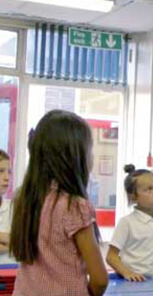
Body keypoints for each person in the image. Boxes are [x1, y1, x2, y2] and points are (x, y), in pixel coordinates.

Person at [9, 110, 108, 295]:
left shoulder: (24, 198)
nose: (92, 157)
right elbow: (100, 279)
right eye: (89, 150)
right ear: (75, 157)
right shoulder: (74, 206)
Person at [106, 164, 153, 281]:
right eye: (149, 189)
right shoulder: (127, 223)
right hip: (137, 285)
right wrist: (127, 273)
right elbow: (111, 256)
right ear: (133, 197)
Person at [0, 150, 14, 264]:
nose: (7, 178)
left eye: (9, 172)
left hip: (11, 276)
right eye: (1, 171)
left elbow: (24, 244)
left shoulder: (14, 208)